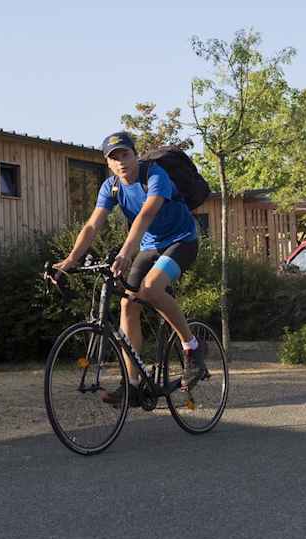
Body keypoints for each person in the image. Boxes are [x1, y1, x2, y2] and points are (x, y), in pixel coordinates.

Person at [52, 131, 205, 406]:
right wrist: (71, 259)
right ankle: (132, 384)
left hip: (182, 241)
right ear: (108, 163)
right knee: (127, 305)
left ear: (135, 154)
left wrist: (125, 253)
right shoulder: (110, 187)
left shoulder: (155, 175)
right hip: (150, 246)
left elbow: (146, 215)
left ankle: (191, 347)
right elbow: (91, 225)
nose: (121, 161)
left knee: (151, 288)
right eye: (114, 157)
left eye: (125, 154)